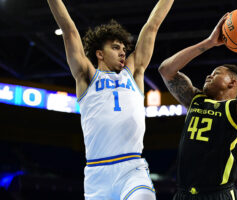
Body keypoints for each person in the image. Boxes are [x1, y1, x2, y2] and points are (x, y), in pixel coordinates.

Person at [47, 0, 174, 199]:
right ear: (99, 54)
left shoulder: (133, 73)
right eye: (115, 47)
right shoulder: (87, 76)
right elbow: (69, 30)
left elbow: (152, 26)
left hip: (132, 168)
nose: (123, 52)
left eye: (123, 48)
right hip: (97, 174)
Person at [159, 13, 237, 200]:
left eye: (216, 73)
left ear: (232, 83)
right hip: (183, 194)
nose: (208, 76)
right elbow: (166, 70)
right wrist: (209, 42)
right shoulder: (196, 99)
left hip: (218, 195)